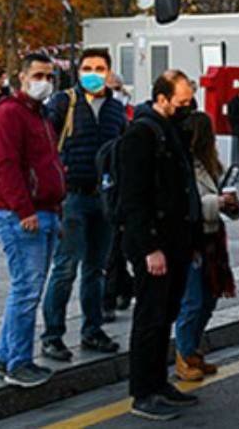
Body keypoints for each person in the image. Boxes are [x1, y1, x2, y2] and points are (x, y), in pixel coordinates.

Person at [120, 69, 203, 421]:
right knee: (150, 317)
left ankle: (159, 382)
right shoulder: (141, 134)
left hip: (178, 240)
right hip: (155, 245)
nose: (188, 107)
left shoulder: (171, 130)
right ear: (162, 98)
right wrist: (150, 247)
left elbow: (184, 187)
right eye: (182, 102)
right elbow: (133, 198)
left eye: (190, 101)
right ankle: (143, 391)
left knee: (167, 313)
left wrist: (193, 240)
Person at [40, 49, 127, 362]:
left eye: (100, 68)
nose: (93, 73)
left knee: (96, 269)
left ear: (108, 72)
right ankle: (52, 335)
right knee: (65, 269)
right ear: (78, 72)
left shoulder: (116, 109)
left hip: (103, 198)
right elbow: (44, 142)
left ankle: (93, 330)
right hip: (72, 197)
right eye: (88, 68)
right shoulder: (64, 103)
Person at [0, 53, 65, 388]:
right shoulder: (10, 115)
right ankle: (18, 362)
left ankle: (8, 358)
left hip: (45, 211)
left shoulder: (40, 115)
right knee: (27, 290)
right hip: (22, 214)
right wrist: (24, 210)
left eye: (48, 76)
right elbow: (5, 168)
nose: (43, 81)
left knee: (27, 289)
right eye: (37, 74)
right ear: (21, 77)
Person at [174, 111, 239, 382]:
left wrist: (231, 206)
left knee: (210, 297)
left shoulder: (213, 164)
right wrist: (217, 203)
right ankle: (184, 353)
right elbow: (183, 205)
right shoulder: (182, 165)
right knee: (192, 300)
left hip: (213, 238)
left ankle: (193, 349)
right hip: (192, 239)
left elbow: (227, 205)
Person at [103, 72, 135, 322]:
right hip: (101, 186)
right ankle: (124, 288)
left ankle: (110, 298)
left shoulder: (124, 112)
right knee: (112, 251)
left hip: (117, 187)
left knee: (114, 250)